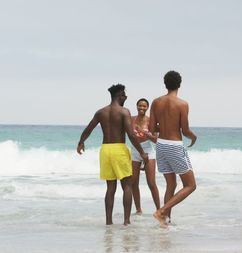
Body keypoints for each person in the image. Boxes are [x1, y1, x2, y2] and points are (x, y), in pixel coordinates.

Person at [77, 84, 148, 226]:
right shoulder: (124, 112)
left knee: (110, 187)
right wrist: (141, 152)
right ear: (120, 95)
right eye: (125, 96)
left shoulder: (101, 112)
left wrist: (81, 142)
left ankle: (109, 222)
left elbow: (88, 128)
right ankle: (126, 222)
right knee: (127, 185)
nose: (126, 98)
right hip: (119, 149)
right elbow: (131, 134)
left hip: (105, 150)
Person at [150, 70, 197, 227]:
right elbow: (185, 130)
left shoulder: (156, 102)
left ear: (165, 84)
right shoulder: (182, 104)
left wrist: (164, 124)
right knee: (191, 185)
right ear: (179, 84)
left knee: (171, 185)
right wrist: (194, 137)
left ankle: (166, 222)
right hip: (174, 146)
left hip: (160, 145)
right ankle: (162, 211)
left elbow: (152, 128)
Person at [131, 98, 161, 215]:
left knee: (151, 183)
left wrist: (144, 133)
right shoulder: (131, 119)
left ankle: (159, 209)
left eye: (144, 106)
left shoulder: (150, 121)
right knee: (134, 182)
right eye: (140, 106)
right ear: (137, 106)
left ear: (147, 108)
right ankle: (138, 209)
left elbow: (155, 140)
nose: (142, 108)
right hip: (135, 150)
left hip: (148, 150)